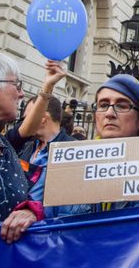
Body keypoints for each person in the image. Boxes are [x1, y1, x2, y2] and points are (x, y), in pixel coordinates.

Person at [0, 52, 46, 243]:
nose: (21, 94)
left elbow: (26, 198)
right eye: (16, 85)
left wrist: (29, 212)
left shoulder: (6, 149)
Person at [90, 74, 139, 212]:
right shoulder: (70, 164)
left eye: (121, 106)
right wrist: (34, 212)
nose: (109, 113)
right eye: (103, 105)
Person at [18, 90, 89, 218]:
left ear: (43, 118)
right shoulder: (26, 147)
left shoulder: (75, 151)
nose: (22, 124)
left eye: (26, 118)